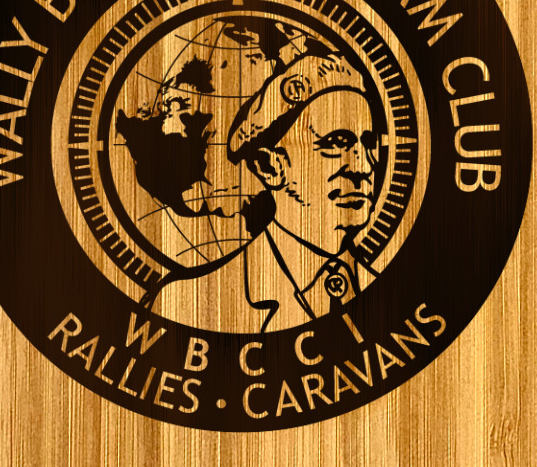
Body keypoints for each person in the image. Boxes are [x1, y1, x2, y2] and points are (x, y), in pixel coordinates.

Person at [145, 44, 383, 332]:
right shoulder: (182, 307)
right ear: (269, 167)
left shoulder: (395, 296)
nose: (363, 167)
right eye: (335, 144)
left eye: (368, 144)